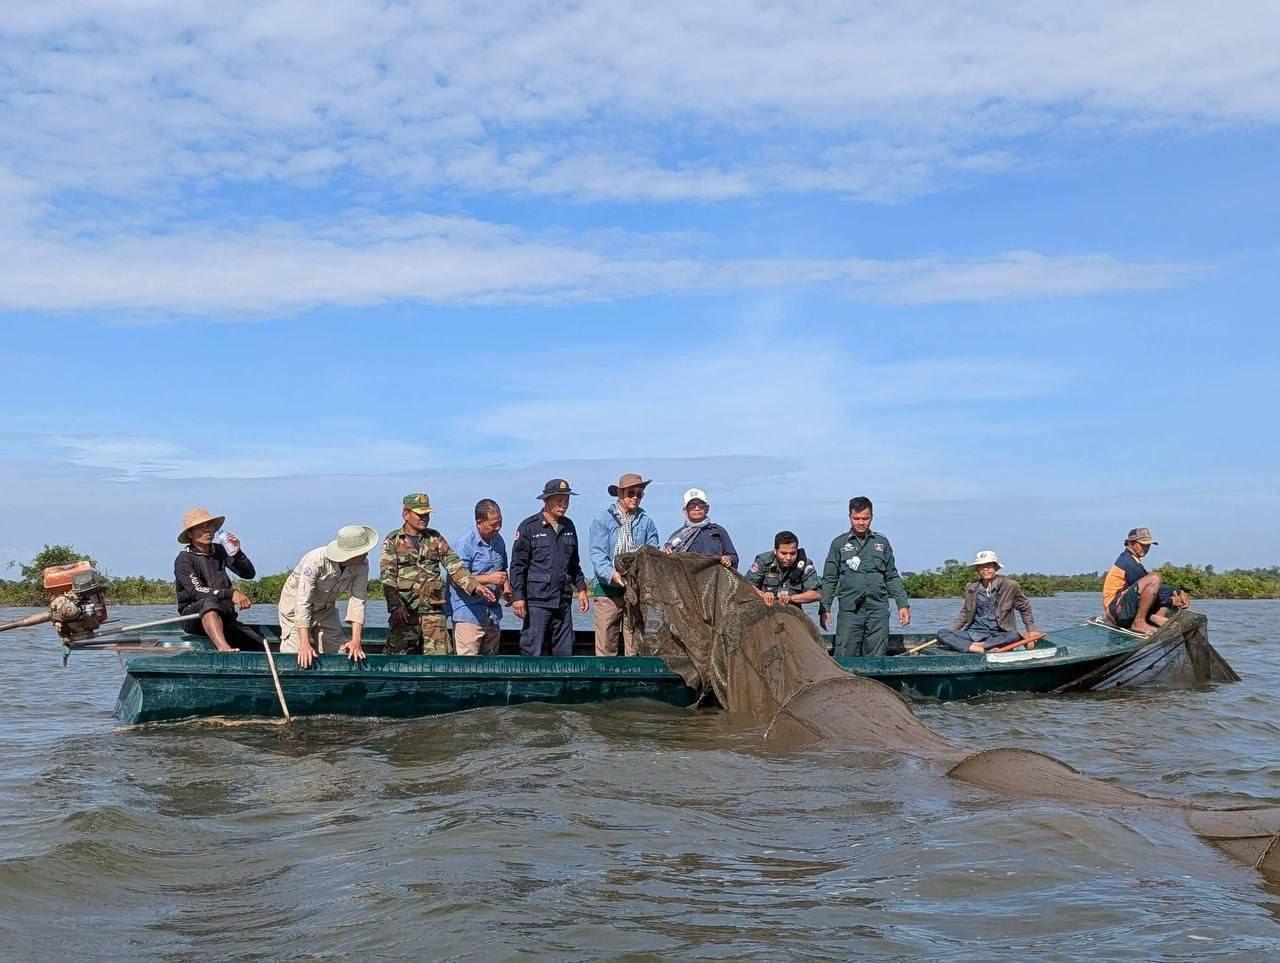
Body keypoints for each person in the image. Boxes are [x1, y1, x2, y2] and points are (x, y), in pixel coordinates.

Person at [380, 493, 495, 656]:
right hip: (404, 612)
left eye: (427, 514)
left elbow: (454, 565)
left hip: (432, 612)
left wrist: (475, 586)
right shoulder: (393, 540)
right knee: (398, 659)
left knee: (440, 660)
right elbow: (388, 577)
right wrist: (395, 606)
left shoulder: (435, 538)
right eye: (420, 514)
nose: (424, 518)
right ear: (406, 514)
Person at [819, 496, 911, 658]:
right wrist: (824, 607)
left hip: (878, 610)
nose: (861, 522)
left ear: (872, 517)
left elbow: (891, 576)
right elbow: (829, 579)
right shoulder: (838, 544)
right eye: (856, 518)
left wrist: (902, 604)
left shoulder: (882, 543)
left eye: (865, 518)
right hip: (850, 611)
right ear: (850, 517)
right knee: (845, 655)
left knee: (877, 656)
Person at [278, 524, 379, 668]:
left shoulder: (362, 565)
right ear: (350, 554)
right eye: (363, 552)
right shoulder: (315, 561)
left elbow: (358, 601)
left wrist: (356, 640)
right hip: (295, 608)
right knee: (297, 655)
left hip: (326, 609)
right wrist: (304, 644)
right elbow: (302, 600)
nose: (367, 554)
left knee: (341, 651)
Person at [509, 478, 590, 657]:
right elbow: (517, 566)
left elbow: (574, 564)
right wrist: (517, 597)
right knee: (532, 651)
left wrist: (582, 589)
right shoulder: (529, 527)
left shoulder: (569, 526)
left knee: (565, 653)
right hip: (537, 602)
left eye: (566, 501)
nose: (564, 505)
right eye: (559, 501)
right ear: (547, 500)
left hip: (563, 601)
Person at [588, 473, 660, 656]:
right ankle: (605, 683)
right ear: (620, 494)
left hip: (635, 592)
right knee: (606, 647)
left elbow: (652, 553)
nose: (635, 497)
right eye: (631, 493)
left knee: (635, 645)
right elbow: (598, 555)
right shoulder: (602, 520)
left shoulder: (647, 522)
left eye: (639, 494)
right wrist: (613, 575)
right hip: (607, 592)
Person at [173, 507, 260, 651]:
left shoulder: (220, 550)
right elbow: (197, 591)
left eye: (209, 527)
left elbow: (248, 574)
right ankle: (223, 648)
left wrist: (238, 554)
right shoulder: (184, 559)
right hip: (194, 616)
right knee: (208, 603)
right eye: (201, 528)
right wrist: (230, 594)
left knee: (260, 644)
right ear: (190, 534)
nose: (207, 531)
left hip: (225, 615)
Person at [936, 551, 1042, 653]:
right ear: (977, 569)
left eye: (989, 565)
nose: (985, 569)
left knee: (1014, 635)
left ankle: (974, 645)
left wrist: (1031, 630)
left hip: (1000, 634)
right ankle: (981, 649)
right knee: (942, 633)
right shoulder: (971, 587)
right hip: (975, 633)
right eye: (981, 566)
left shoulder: (1010, 585)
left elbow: (1024, 608)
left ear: (995, 567)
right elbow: (965, 613)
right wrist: (952, 633)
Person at [448, 499, 511, 656]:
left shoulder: (499, 540)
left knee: (490, 666)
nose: (497, 528)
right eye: (492, 525)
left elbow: (503, 570)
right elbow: (457, 579)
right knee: (467, 667)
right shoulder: (465, 544)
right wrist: (489, 579)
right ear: (479, 522)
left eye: (500, 523)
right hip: (468, 614)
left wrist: (507, 589)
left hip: (492, 614)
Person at [1102, 527, 1191, 634]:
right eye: (1142, 545)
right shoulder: (1129, 564)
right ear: (1131, 543)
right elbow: (1151, 589)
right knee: (1154, 578)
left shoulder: (1132, 560)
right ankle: (1139, 622)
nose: (1145, 548)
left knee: (1161, 588)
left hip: (1122, 609)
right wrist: (1172, 600)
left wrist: (1179, 591)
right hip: (1116, 611)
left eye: (1148, 545)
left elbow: (1156, 590)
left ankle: (1157, 616)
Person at [745, 531, 823, 610]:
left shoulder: (805, 564)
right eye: (784, 553)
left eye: (792, 553)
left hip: (792, 611)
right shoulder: (763, 561)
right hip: (764, 608)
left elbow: (816, 594)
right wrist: (762, 594)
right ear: (775, 551)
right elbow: (746, 585)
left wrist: (791, 598)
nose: (788, 558)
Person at [663, 488, 738, 569]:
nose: (697, 508)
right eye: (692, 505)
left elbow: (733, 557)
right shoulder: (676, 536)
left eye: (701, 505)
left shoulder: (718, 531)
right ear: (685, 510)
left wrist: (728, 559)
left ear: (707, 508)